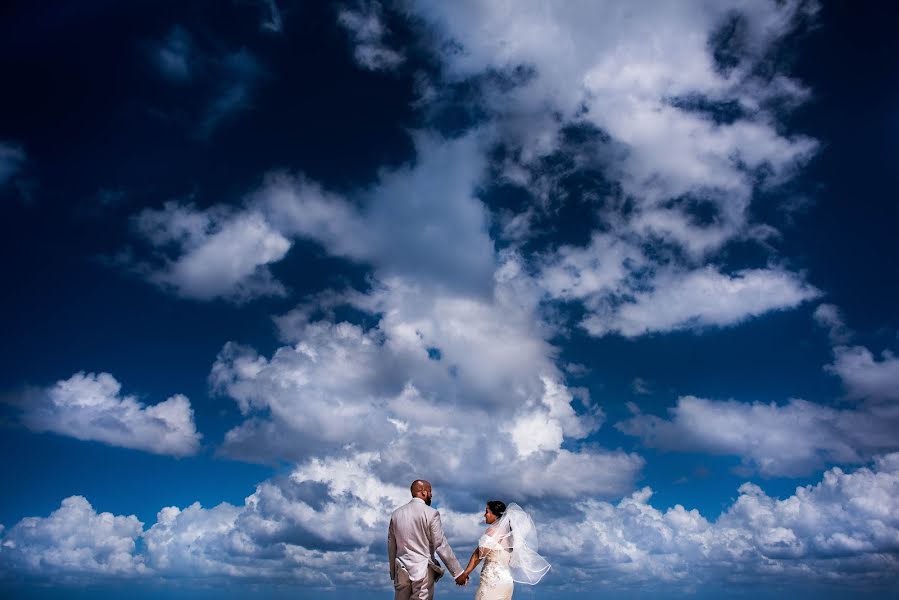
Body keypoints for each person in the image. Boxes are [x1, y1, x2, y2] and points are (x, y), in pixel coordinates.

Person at [388, 480, 469, 599]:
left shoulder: (396, 514)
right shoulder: (432, 513)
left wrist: (393, 572)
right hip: (422, 570)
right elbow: (440, 545)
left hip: (401, 570)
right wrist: (458, 573)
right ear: (424, 492)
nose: (431, 495)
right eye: (430, 491)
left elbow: (391, 545)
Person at [459, 500, 551, 600]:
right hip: (507, 581)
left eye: (487, 512)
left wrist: (465, 573)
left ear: (495, 515)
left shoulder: (493, 531)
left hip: (493, 581)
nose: (484, 515)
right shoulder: (512, 537)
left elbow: (478, 555)